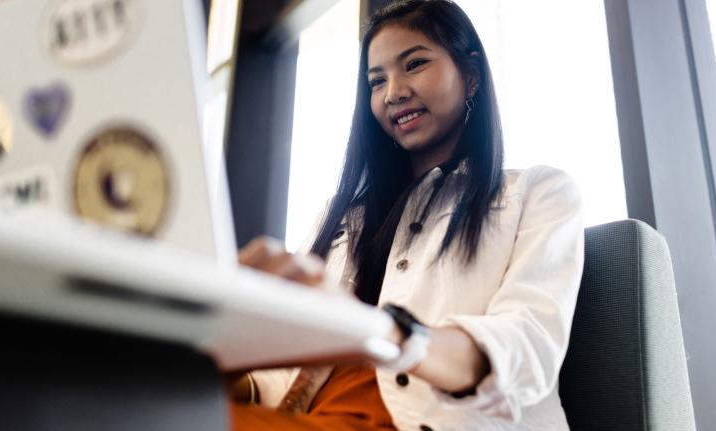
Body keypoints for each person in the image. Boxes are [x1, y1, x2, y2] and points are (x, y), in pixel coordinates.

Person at [228, 0, 584, 429]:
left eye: (414, 64)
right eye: (376, 81)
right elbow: (278, 377)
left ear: (470, 76)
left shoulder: (538, 193)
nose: (393, 92)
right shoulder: (342, 216)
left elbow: (527, 348)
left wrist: (387, 332)